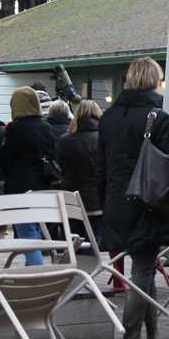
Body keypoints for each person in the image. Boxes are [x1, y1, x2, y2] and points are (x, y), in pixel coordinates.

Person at [100, 57, 169, 339]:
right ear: (155, 80)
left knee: (144, 268)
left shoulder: (108, 117)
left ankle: (153, 335)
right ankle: (132, 337)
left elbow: (102, 166)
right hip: (148, 201)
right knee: (144, 267)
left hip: (117, 200)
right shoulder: (157, 117)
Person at [0, 86, 57, 266]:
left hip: (20, 185)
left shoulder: (16, 128)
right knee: (35, 228)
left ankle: (37, 271)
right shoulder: (47, 126)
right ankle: (33, 267)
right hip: (43, 184)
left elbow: (4, 157)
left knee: (26, 230)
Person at [57, 99, 104, 247]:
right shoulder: (104, 139)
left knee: (75, 241)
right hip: (97, 198)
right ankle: (90, 268)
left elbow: (61, 167)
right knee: (94, 240)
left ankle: (80, 267)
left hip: (72, 198)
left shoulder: (64, 140)